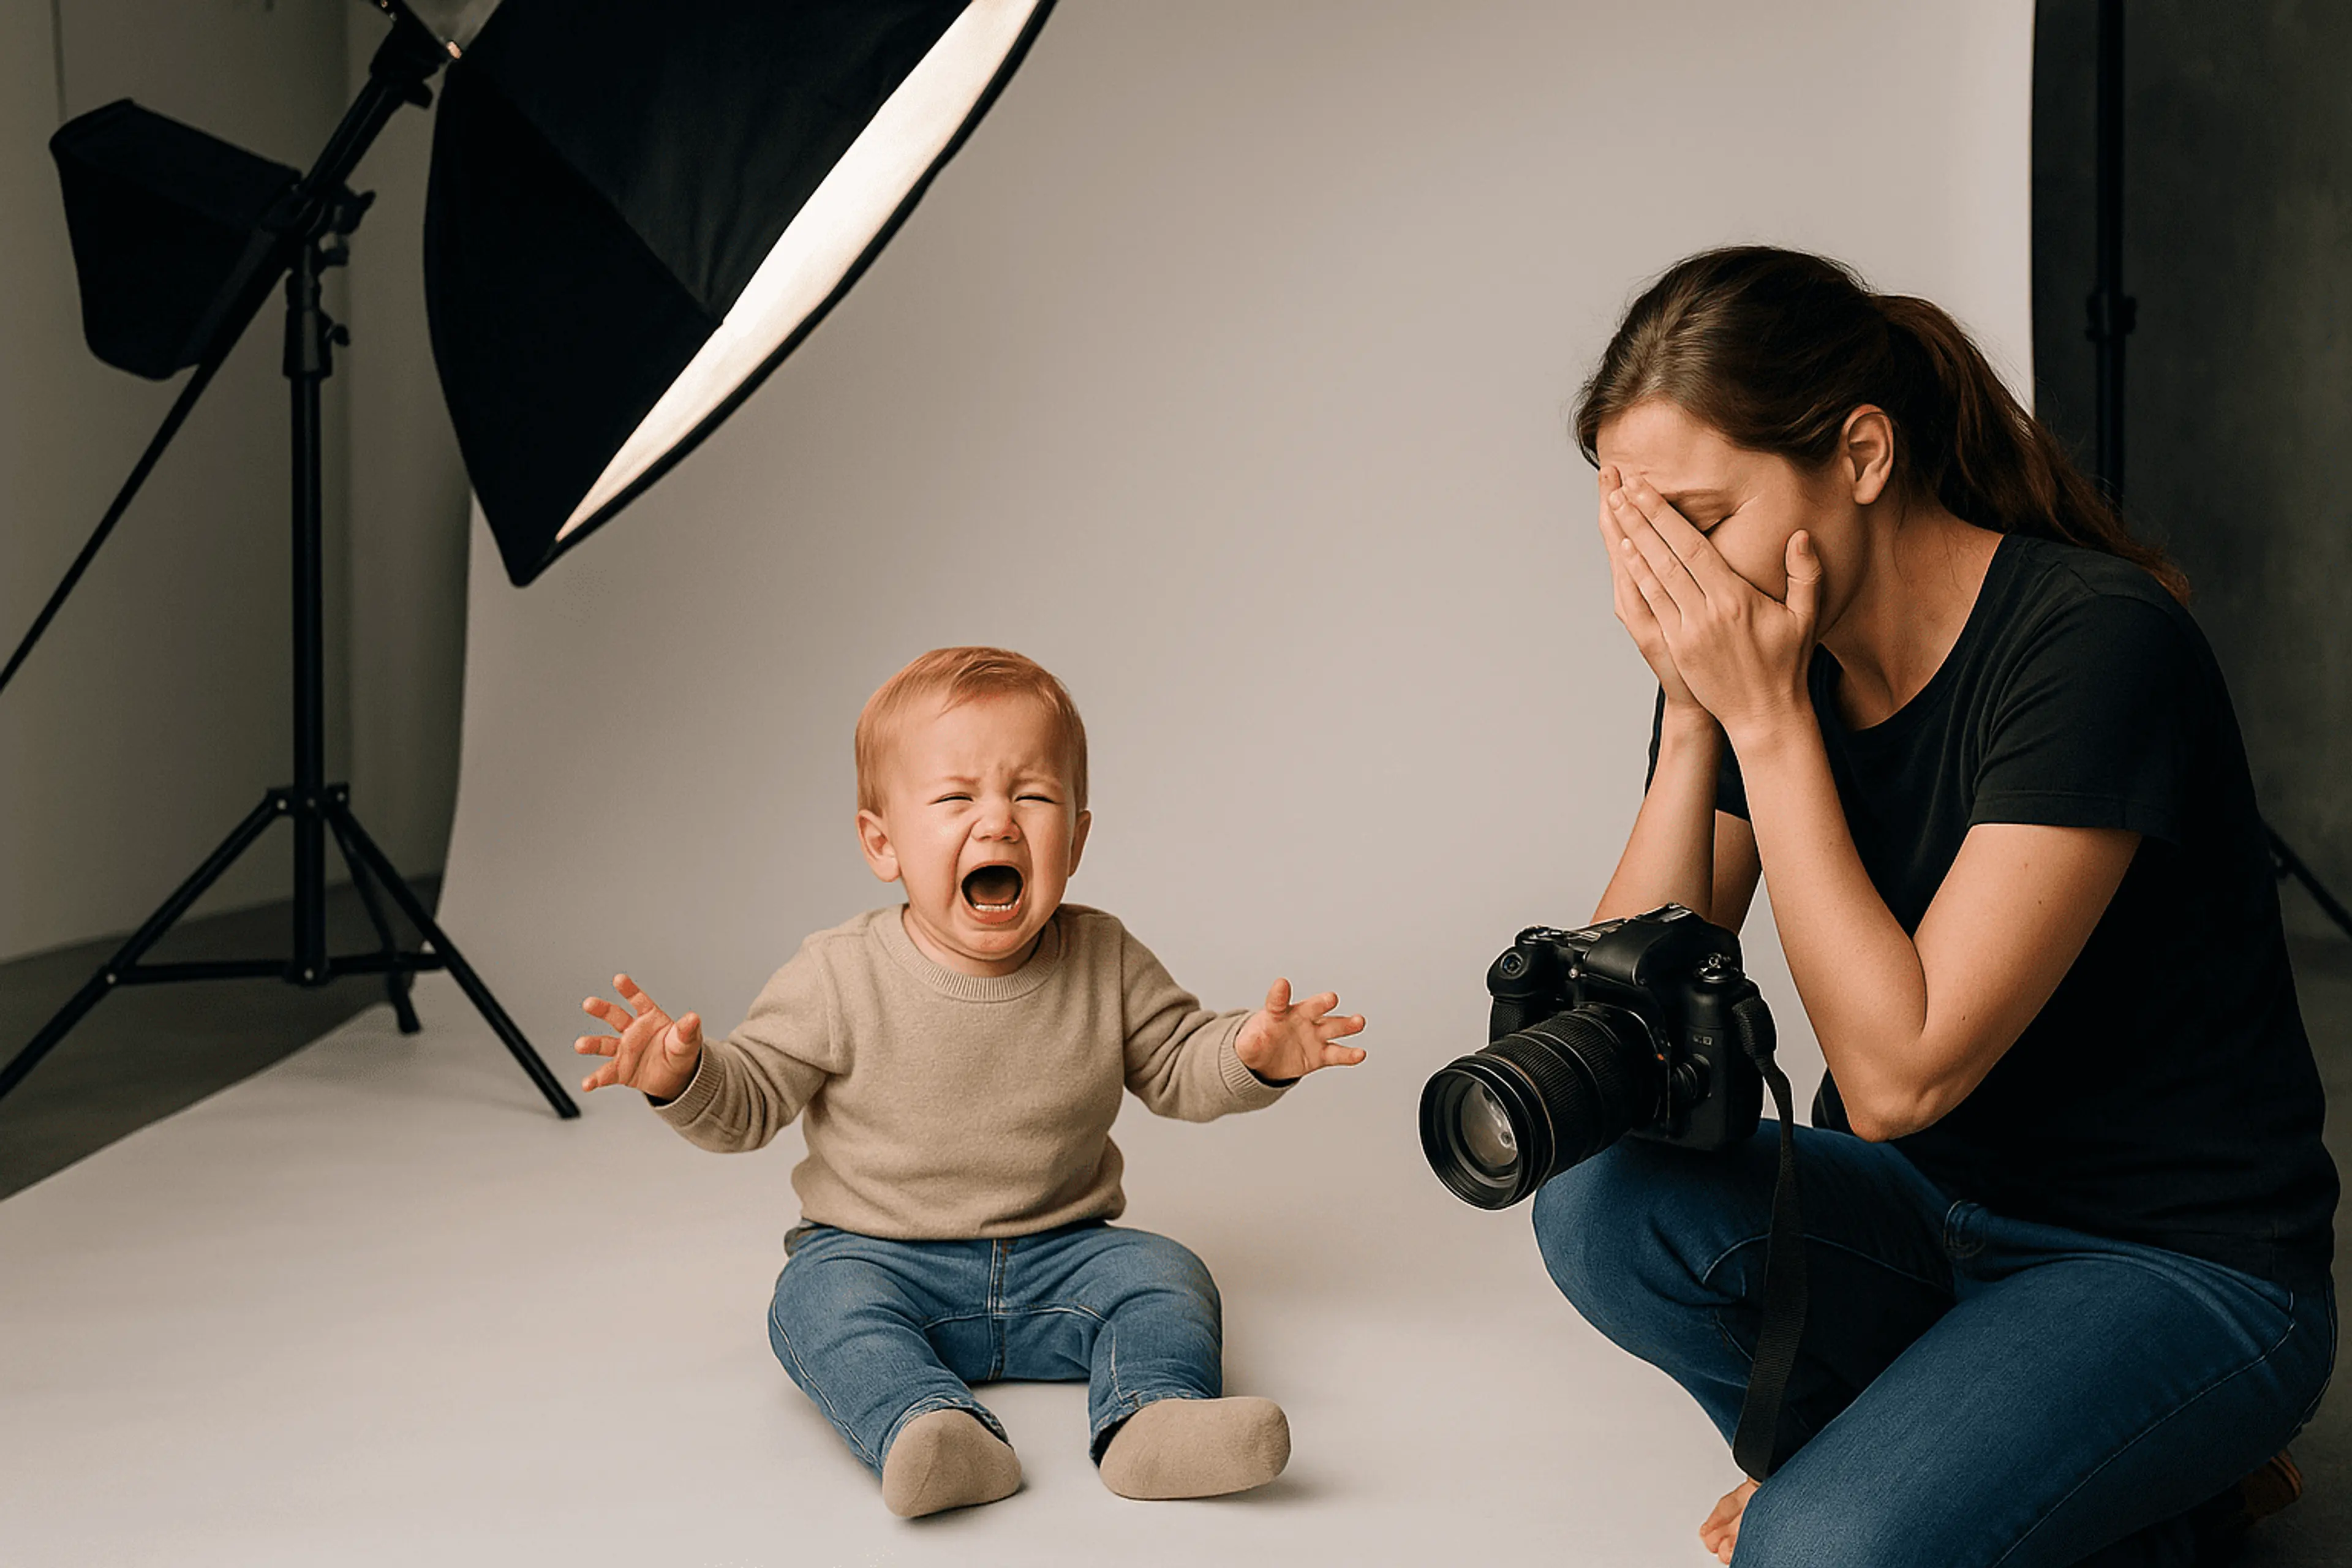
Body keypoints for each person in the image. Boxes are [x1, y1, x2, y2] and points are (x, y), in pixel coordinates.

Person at [1532, 247, 2336, 1567]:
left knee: (1815, 1549)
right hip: (1921, 1220)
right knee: (1599, 1190)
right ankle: (2041, 1479)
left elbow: (1903, 1073)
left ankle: (2117, 1471)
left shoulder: (2093, 642)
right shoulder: (1759, 664)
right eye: (1651, 539)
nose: (1690, 581)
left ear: (1860, 454)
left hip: (2168, 1263)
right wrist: (1691, 717)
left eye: (1704, 519)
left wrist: (1767, 721)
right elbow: (1616, 1027)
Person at [573, 646, 1366, 1517]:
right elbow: (750, 1100)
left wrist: (1251, 1054)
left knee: (1167, 1275)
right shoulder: (839, 974)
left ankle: (1152, 1419)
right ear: (883, 843)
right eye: (956, 799)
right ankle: (929, 1428)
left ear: (1079, 834)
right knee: (813, 1303)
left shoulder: (1103, 958)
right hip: (877, 1254)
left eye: (1033, 796)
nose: (998, 823)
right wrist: (685, 1077)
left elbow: (1180, 1064)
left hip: (1062, 1252)